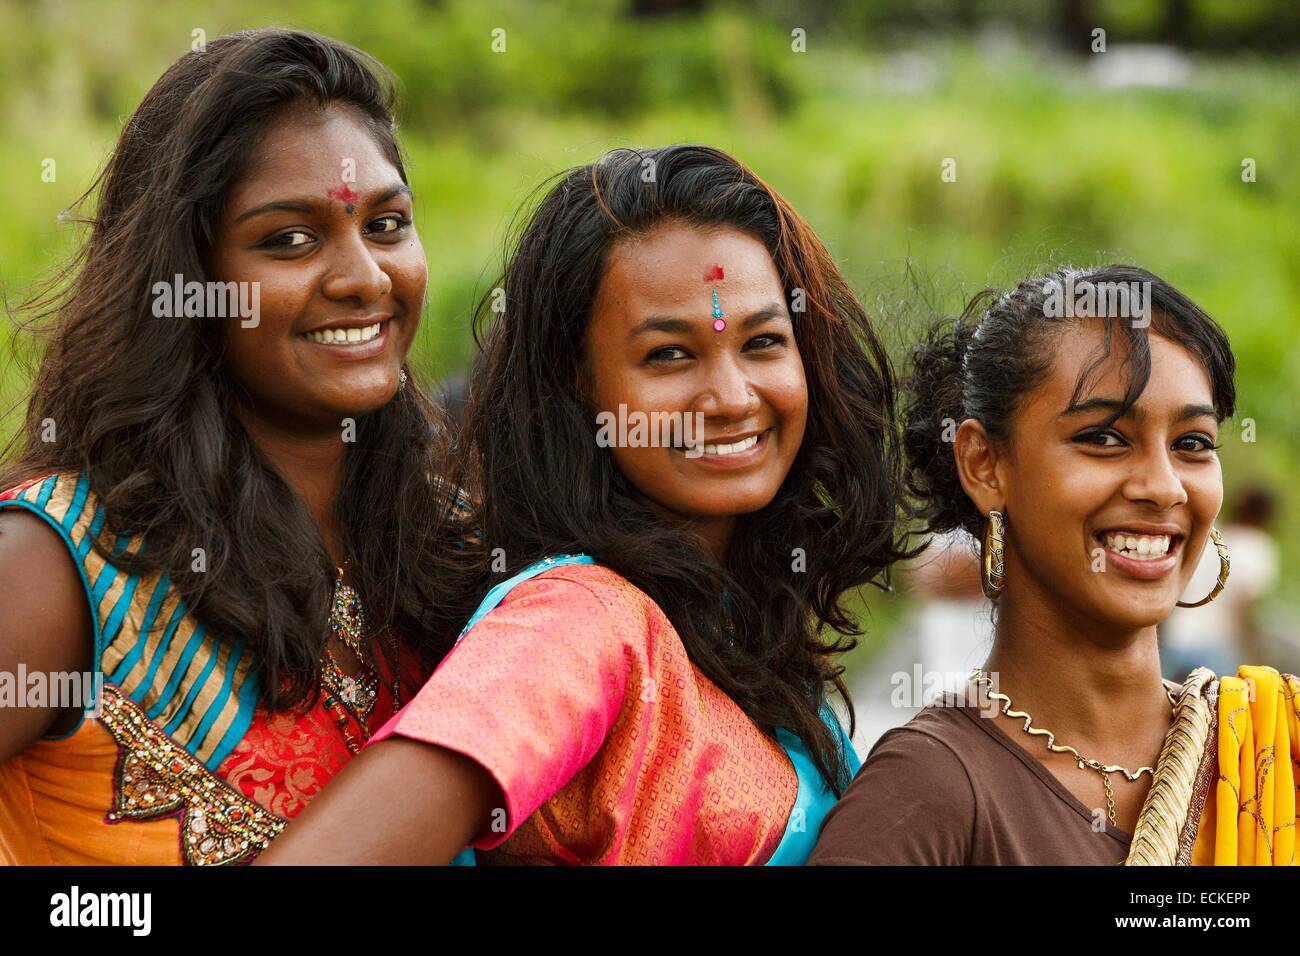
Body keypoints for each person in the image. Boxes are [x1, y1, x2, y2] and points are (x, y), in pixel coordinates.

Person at [258, 144, 914, 865]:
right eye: (669, 355)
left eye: (762, 343)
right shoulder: (580, 623)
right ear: (578, 387)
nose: (731, 398)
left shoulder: (738, 629)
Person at [0, 29, 465, 865]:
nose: (363, 275)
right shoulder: (57, 565)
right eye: (290, 239)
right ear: (185, 279)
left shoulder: (453, 534)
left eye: (387, 224)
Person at [810, 265, 1298, 866]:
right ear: (985, 464)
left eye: (1192, 443)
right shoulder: (930, 795)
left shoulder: (1273, 754)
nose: (1164, 487)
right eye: (1105, 438)